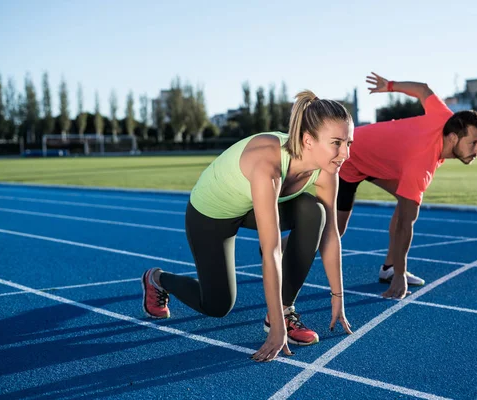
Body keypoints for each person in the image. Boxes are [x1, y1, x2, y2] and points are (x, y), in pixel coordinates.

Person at [142, 90, 354, 362]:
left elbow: (331, 236)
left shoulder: (327, 171)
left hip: (254, 206)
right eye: (336, 142)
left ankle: (283, 309)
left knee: (316, 214)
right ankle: (157, 279)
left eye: (349, 142)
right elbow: (271, 250)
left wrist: (337, 297)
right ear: (307, 140)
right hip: (212, 212)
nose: (345, 153)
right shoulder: (267, 163)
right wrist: (276, 333)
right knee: (217, 305)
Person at [337, 72, 477, 300]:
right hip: (347, 157)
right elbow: (404, 225)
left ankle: (388, 267)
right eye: (474, 143)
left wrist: (389, 85)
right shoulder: (422, 164)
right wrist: (401, 275)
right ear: (454, 138)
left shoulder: (446, 118)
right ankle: (286, 246)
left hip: (374, 162)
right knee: (335, 230)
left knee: (405, 200)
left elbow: (424, 90)